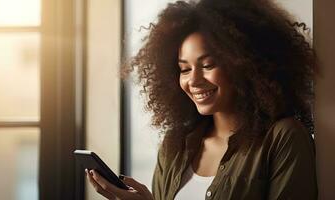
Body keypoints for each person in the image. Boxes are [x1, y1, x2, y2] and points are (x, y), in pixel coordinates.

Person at [85, 0, 318, 199]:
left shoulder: (284, 138)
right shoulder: (174, 145)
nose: (194, 80)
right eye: (184, 69)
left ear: (246, 64)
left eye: (207, 65)